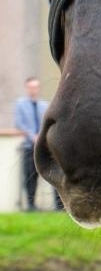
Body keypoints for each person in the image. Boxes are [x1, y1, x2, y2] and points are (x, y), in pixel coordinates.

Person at [13, 77, 48, 211]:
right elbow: (19, 123)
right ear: (27, 88)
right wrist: (33, 136)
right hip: (29, 146)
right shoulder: (20, 104)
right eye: (30, 87)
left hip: (42, 147)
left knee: (46, 174)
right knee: (29, 176)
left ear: (38, 88)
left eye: (35, 87)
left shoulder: (44, 105)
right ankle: (31, 205)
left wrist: (41, 137)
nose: (33, 89)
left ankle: (58, 207)